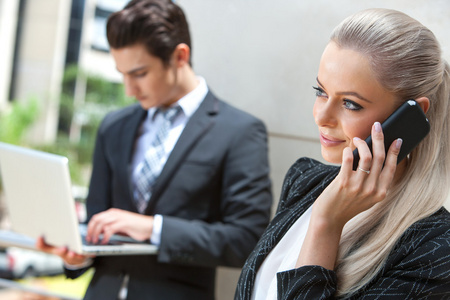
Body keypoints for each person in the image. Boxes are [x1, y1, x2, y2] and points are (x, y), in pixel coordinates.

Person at [36, 0, 272, 299]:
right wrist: (78, 254)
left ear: (179, 56)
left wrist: (153, 228)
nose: (128, 90)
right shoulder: (114, 126)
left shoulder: (239, 132)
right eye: (122, 74)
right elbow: (97, 224)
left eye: (139, 73)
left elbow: (247, 240)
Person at [235, 8, 450, 299]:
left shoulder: (435, 247)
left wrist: (326, 223)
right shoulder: (304, 180)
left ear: (410, 116)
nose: (321, 116)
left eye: (350, 103)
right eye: (320, 90)